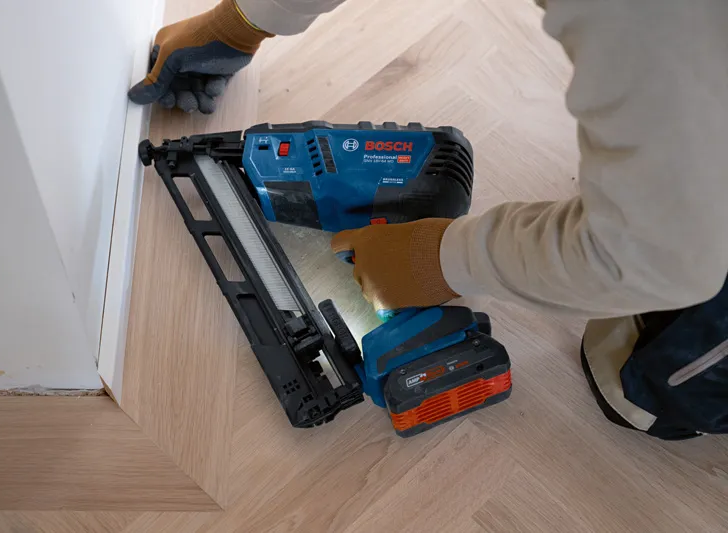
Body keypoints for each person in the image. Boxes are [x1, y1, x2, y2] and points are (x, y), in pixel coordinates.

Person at [129, 0, 728, 439]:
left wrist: (439, 261)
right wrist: (246, 20)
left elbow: (658, 256)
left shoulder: (659, 24)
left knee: (643, 385)